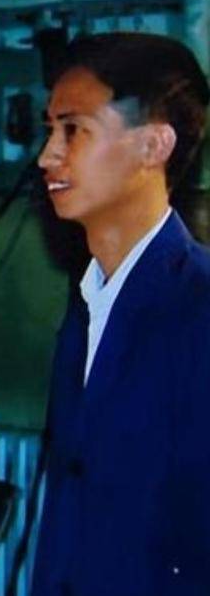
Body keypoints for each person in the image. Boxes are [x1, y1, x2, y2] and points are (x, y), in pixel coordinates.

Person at [32, 32, 210, 596]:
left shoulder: (198, 305)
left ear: (153, 145)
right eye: (48, 130)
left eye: (73, 130)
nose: (47, 156)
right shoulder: (87, 306)